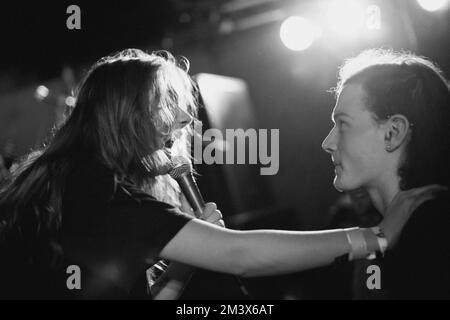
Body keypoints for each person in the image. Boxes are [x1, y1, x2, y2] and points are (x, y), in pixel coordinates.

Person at [0, 49, 441, 299]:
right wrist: (375, 237)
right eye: (164, 105)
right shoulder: (93, 185)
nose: (179, 124)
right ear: (124, 113)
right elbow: (240, 255)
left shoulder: (84, 182)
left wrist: (183, 265)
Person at [322, 48, 450, 299]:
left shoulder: (435, 231)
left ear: (393, 132)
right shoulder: (387, 228)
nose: (327, 142)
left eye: (343, 124)